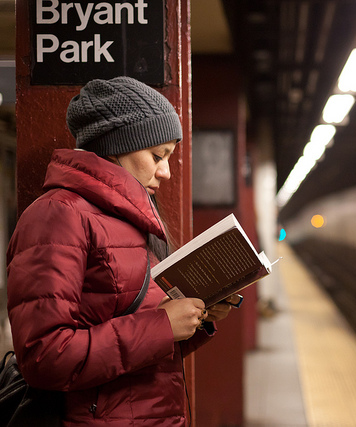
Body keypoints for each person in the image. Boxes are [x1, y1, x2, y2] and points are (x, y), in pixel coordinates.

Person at [6, 76, 241, 426]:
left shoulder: (133, 217)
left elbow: (138, 344)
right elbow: (44, 357)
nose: (165, 172)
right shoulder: (58, 215)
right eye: (157, 155)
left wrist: (194, 319)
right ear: (117, 145)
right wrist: (162, 326)